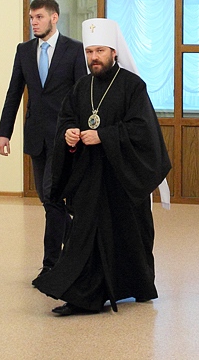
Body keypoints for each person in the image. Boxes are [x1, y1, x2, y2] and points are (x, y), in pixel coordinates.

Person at [33, 18, 171, 316]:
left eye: (100, 51)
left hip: (123, 179)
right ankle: (83, 296)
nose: (94, 57)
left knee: (129, 236)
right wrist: (70, 135)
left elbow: (142, 130)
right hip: (89, 177)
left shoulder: (133, 86)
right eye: (90, 51)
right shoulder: (82, 87)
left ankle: (135, 285)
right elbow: (68, 119)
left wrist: (104, 136)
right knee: (84, 235)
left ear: (114, 52)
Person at [0, 0, 87, 282]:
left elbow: (81, 94)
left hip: (65, 137)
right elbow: (14, 92)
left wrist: (80, 131)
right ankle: (76, 243)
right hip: (36, 137)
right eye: (31, 18)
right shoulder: (24, 51)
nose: (34, 23)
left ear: (54, 18)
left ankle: (50, 266)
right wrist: (4, 132)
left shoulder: (74, 49)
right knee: (49, 200)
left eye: (39, 17)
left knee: (52, 197)